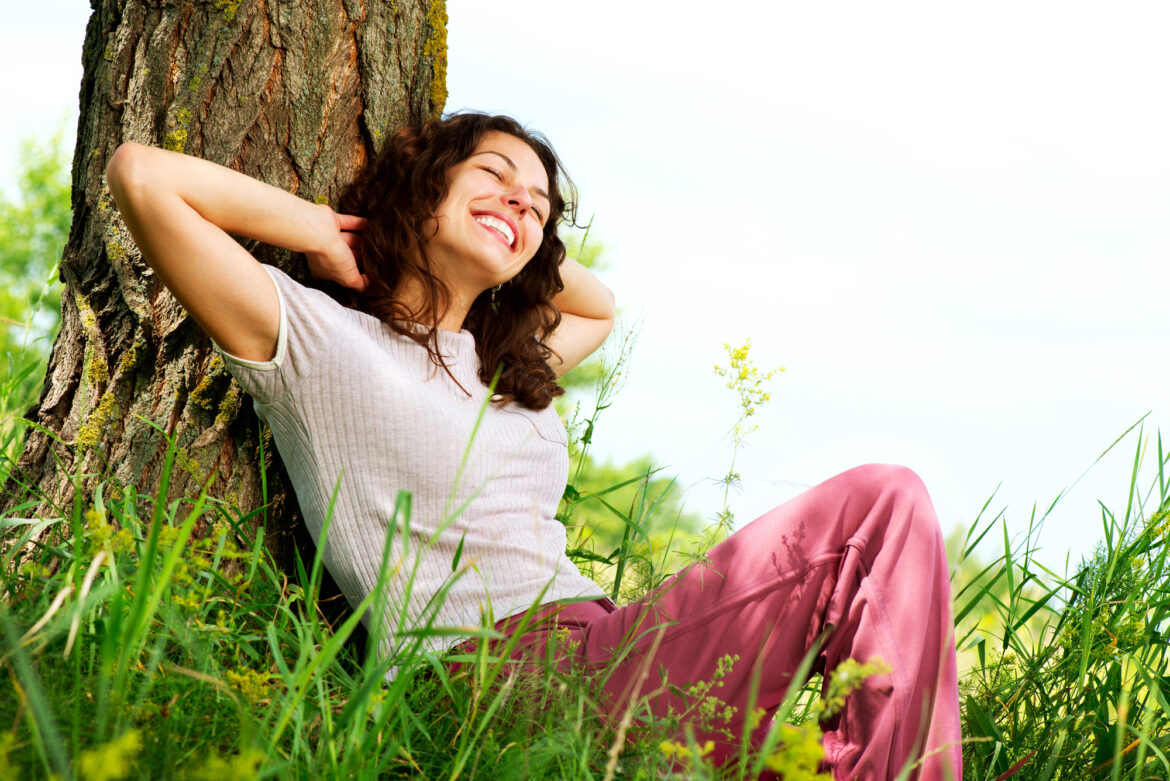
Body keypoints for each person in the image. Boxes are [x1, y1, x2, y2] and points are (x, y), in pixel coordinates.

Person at [106, 112, 962, 779]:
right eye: (494, 175)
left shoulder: (504, 366)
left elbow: (599, 302)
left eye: (540, 206)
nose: (522, 201)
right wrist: (332, 231)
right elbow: (144, 178)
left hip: (605, 652)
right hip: (496, 677)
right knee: (879, 504)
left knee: (818, 757)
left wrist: (512, 231)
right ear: (421, 187)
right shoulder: (321, 344)